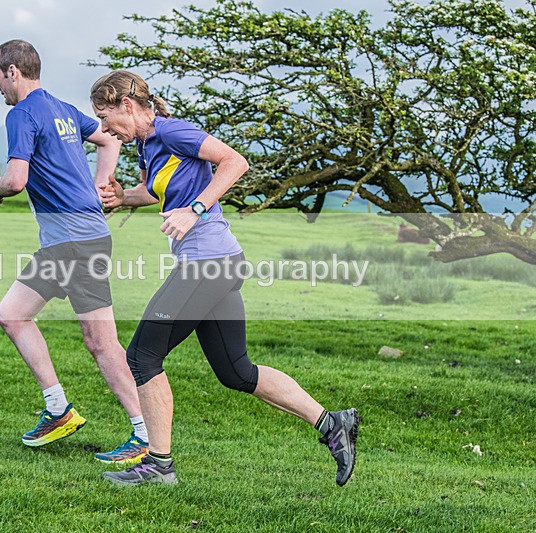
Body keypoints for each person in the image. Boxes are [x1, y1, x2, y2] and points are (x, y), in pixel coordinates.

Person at [90, 70, 359, 486]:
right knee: (237, 372)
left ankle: (159, 466)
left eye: (106, 118)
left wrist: (194, 209)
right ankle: (332, 423)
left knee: (142, 355)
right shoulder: (147, 143)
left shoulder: (174, 131)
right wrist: (126, 197)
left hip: (207, 262)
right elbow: (159, 191)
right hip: (219, 262)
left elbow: (236, 162)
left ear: (128, 105)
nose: (105, 129)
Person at [0, 41, 147, 464]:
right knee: (13, 314)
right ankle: (58, 408)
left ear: (14, 73)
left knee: (102, 343)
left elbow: (16, 179)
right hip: (70, 242)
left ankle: (145, 434)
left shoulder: (20, 114)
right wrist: (102, 182)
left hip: (75, 242)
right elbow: (109, 142)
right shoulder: (62, 108)